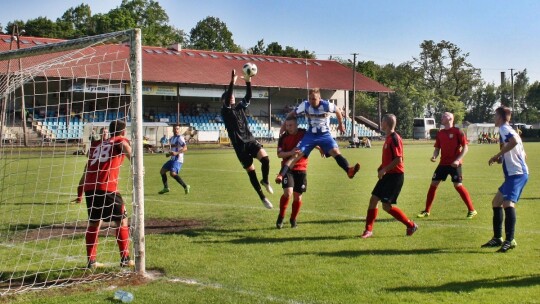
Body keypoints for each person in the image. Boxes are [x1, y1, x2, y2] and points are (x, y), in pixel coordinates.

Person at [275, 88, 360, 184]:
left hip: (324, 135)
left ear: (319, 98)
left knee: (335, 151)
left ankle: (349, 170)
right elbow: (291, 113)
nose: (312, 101)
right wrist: (283, 127)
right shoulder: (305, 105)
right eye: (310, 98)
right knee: (296, 154)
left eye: (314, 99)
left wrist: (341, 124)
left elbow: (337, 111)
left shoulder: (326, 105)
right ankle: (281, 175)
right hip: (310, 135)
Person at [81, 120, 133, 268]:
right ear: (123, 132)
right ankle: (125, 258)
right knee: (121, 221)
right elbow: (125, 147)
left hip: (90, 187)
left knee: (94, 223)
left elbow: (87, 166)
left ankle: (91, 261)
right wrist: (136, 163)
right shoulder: (119, 139)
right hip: (107, 186)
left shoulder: (98, 144)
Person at [221, 69, 273, 209]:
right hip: (240, 147)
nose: (231, 97)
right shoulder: (225, 111)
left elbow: (248, 95)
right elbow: (227, 100)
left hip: (250, 140)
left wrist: (248, 81)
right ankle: (262, 197)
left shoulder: (239, 108)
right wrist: (232, 82)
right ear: (224, 100)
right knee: (252, 172)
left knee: (266, 159)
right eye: (229, 96)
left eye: (232, 96)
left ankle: (266, 180)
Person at [360, 114, 417, 238]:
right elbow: (390, 158)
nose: (381, 123)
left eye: (382, 121)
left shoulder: (395, 138)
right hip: (388, 174)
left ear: (386, 123)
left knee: (386, 206)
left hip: (395, 176)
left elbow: (398, 159)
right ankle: (368, 230)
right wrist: (382, 167)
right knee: (373, 200)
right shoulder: (388, 138)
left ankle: (410, 225)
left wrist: (384, 169)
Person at [482, 106, 529, 253]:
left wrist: (497, 155)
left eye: (495, 116)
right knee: (496, 202)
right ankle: (497, 238)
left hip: (517, 174)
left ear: (501, 117)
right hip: (514, 174)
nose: (493, 118)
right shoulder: (509, 129)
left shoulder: (504, 129)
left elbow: (514, 141)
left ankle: (510, 240)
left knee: (507, 204)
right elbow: (522, 153)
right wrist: (502, 157)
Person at [417, 112, 477, 219]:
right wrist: (434, 156)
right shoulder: (440, 133)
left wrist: (458, 160)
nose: (442, 117)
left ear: (450, 119)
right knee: (433, 184)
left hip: (455, 165)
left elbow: (465, 147)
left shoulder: (458, 131)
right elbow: (437, 148)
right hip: (443, 164)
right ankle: (426, 211)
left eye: (444, 116)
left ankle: (472, 210)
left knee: (458, 186)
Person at [275, 116, 321, 229]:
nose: (288, 128)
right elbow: (279, 154)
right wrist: (290, 152)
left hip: (301, 168)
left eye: (290, 125)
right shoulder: (283, 138)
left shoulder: (304, 133)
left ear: (296, 125)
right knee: (288, 193)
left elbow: (313, 141)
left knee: (298, 197)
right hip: (288, 168)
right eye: (287, 125)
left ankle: (293, 219)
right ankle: (281, 217)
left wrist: (321, 148)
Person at [158, 124, 190, 195]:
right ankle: (166, 188)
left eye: (177, 129)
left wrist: (176, 153)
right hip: (172, 159)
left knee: (172, 173)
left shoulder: (180, 138)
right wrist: (169, 154)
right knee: (162, 171)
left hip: (178, 159)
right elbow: (173, 148)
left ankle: (185, 186)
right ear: (172, 129)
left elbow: (185, 148)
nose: (176, 130)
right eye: (175, 129)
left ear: (179, 130)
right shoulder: (172, 138)